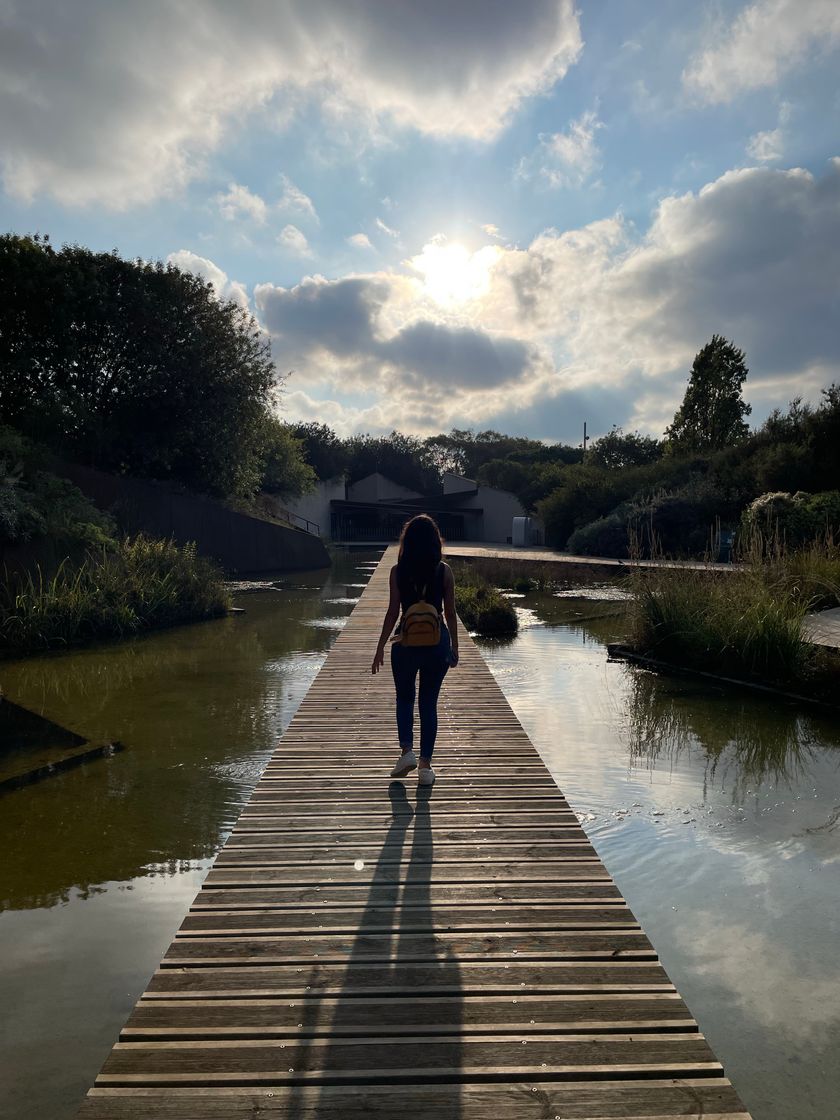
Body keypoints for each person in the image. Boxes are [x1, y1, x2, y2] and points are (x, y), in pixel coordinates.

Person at [371, 514, 459, 786]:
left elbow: (392, 611)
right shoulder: (443, 571)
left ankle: (406, 751)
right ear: (435, 542)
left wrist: (380, 647)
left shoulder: (398, 571)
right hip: (436, 643)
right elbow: (450, 612)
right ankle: (425, 768)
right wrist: (455, 646)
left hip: (405, 643)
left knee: (405, 698)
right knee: (428, 703)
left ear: (406, 541)